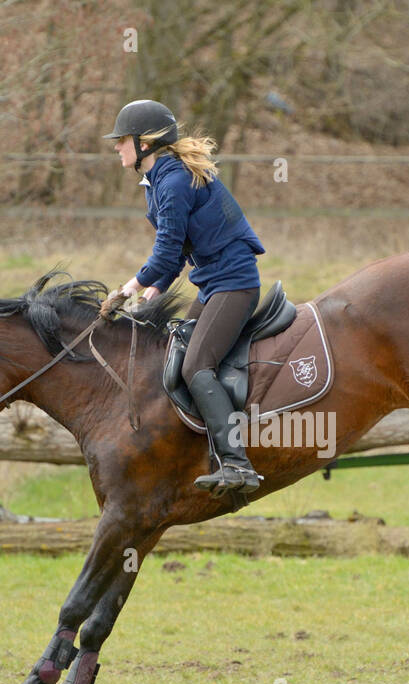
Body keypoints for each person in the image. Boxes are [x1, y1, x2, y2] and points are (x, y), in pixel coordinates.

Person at [100, 99, 266, 496]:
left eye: (122, 141)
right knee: (177, 352)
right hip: (213, 284)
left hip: (234, 284)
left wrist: (128, 289)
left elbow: (163, 252)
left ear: (145, 144)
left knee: (196, 367)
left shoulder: (172, 183)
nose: (117, 148)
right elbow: (176, 252)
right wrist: (156, 286)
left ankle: (237, 464)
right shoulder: (159, 181)